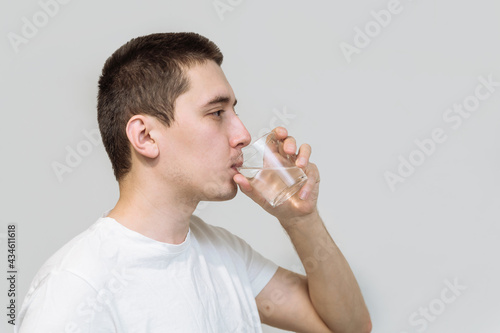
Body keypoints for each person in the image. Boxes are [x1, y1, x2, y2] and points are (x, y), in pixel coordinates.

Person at [15, 32, 371, 333]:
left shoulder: (224, 254)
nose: (243, 134)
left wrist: (301, 220)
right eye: (217, 113)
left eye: (234, 110)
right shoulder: (74, 288)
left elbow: (348, 326)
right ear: (145, 136)